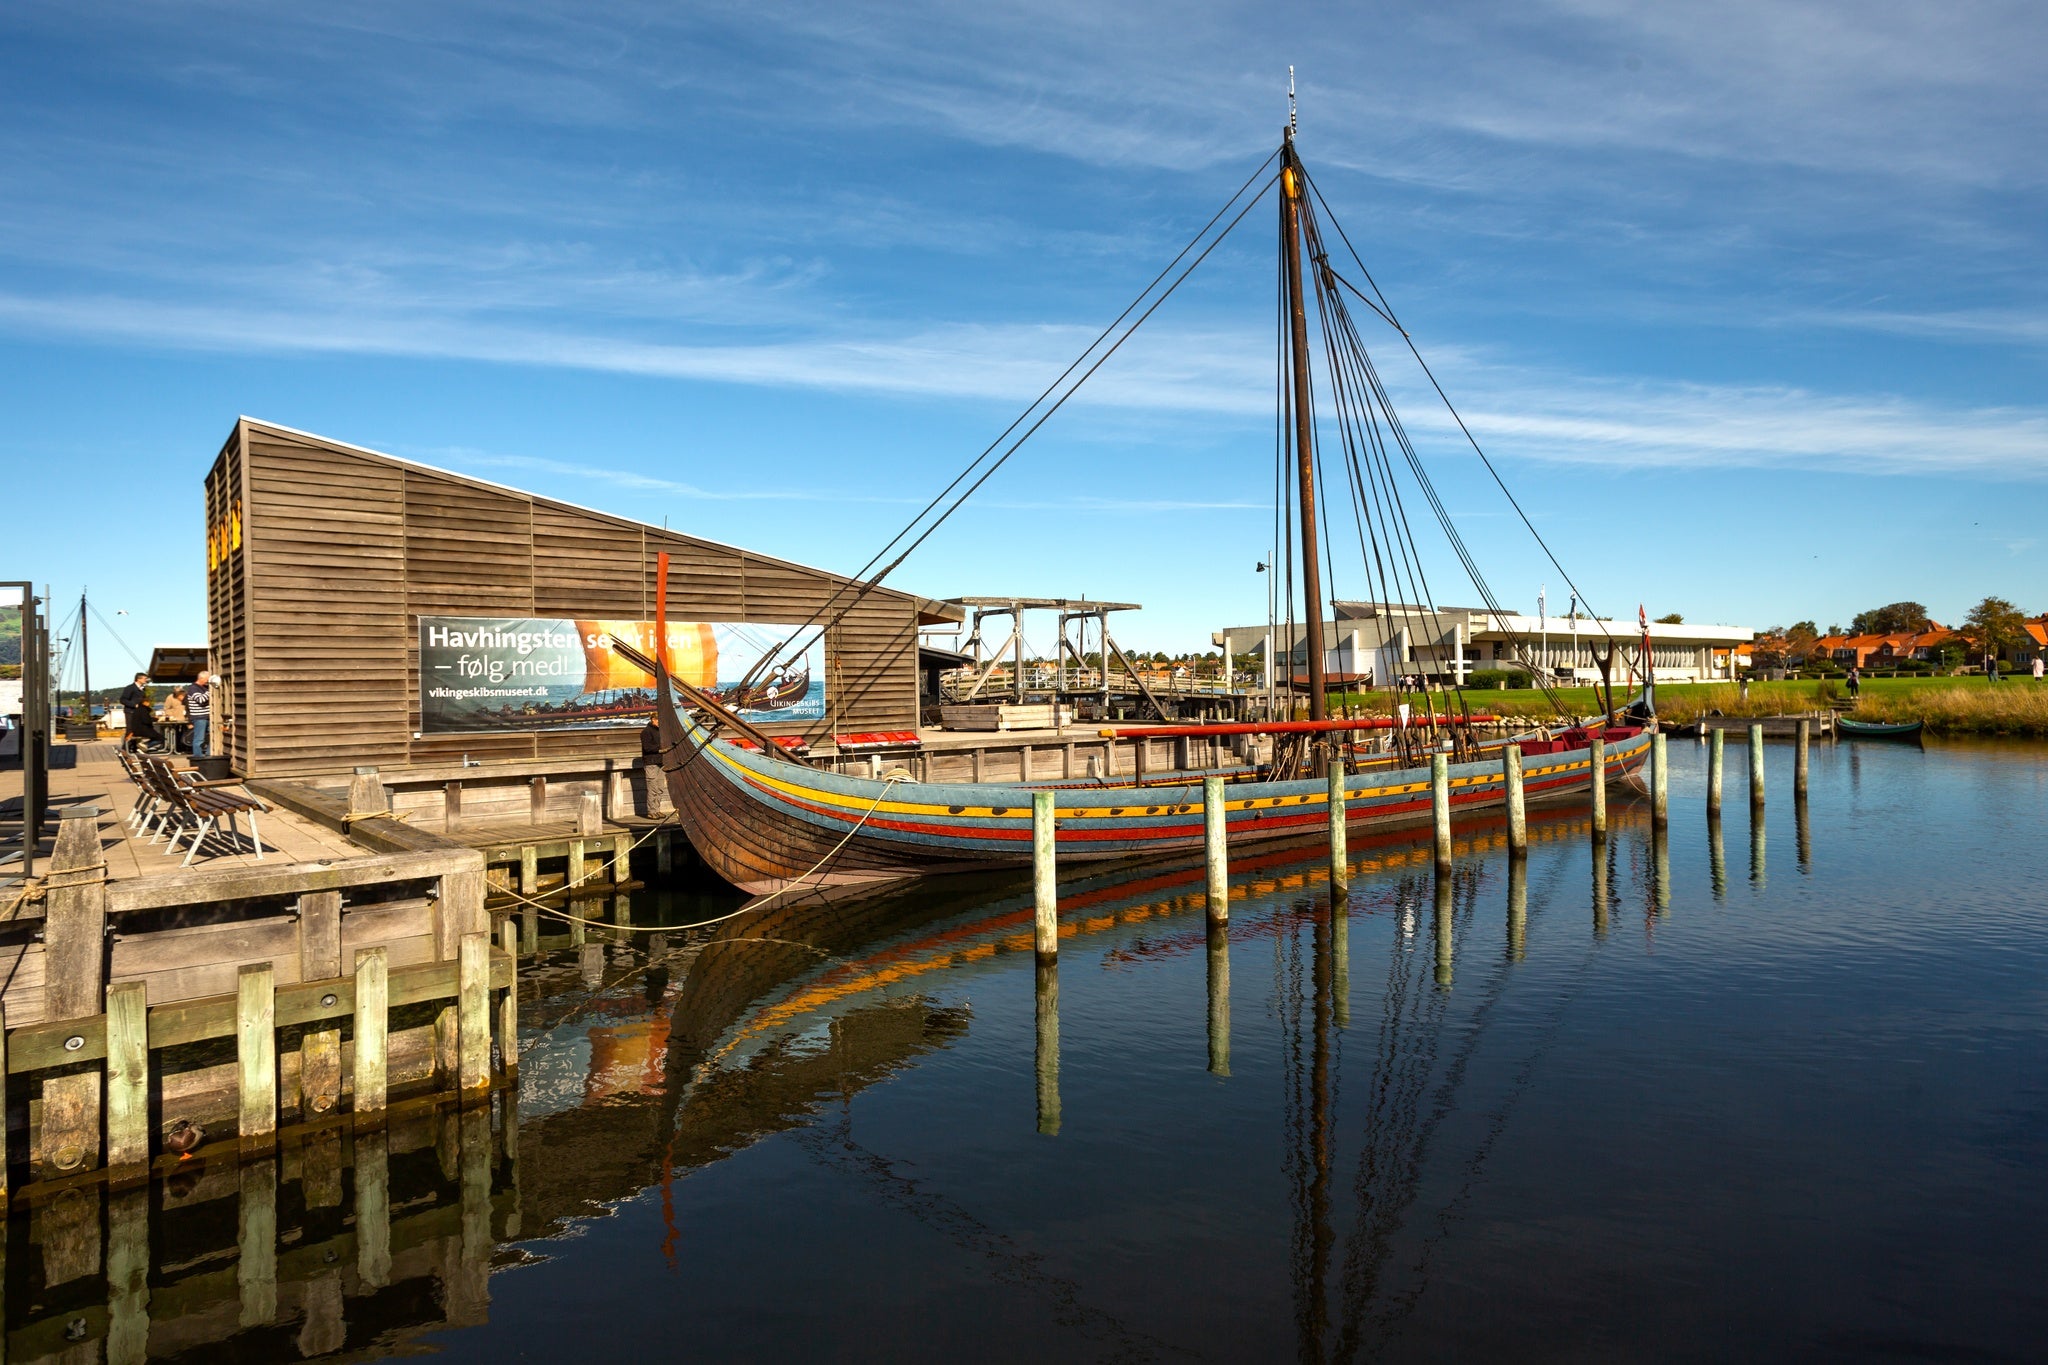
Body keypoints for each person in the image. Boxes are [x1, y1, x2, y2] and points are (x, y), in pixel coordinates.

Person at [118, 672, 157, 752]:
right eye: (144, 678)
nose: (146, 680)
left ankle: (134, 748)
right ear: (138, 679)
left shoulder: (143, 689)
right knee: (130, 730)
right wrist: (134, 705)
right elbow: (123, 700)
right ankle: (124, 749)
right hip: (130, 712)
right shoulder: (130, 688)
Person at [183, 671, 213, 757]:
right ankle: (198, 757)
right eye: (207, 679)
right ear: (201, 678)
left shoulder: (204, 688)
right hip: (199, 717)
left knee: (213, 736)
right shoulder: (193, 688)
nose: (208, 681)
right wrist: (210, 691)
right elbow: (200, 700)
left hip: (206, 717)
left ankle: (208, 754)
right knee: (199, 739)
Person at [158, 683, 189, 755]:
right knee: (176, 733)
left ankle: (185, 746)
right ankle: (176, 747)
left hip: (185, 718)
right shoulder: (170, 697)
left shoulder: (186, 696)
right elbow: (166, 708)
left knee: (185, 732)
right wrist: (171, 715)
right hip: (175, 718)